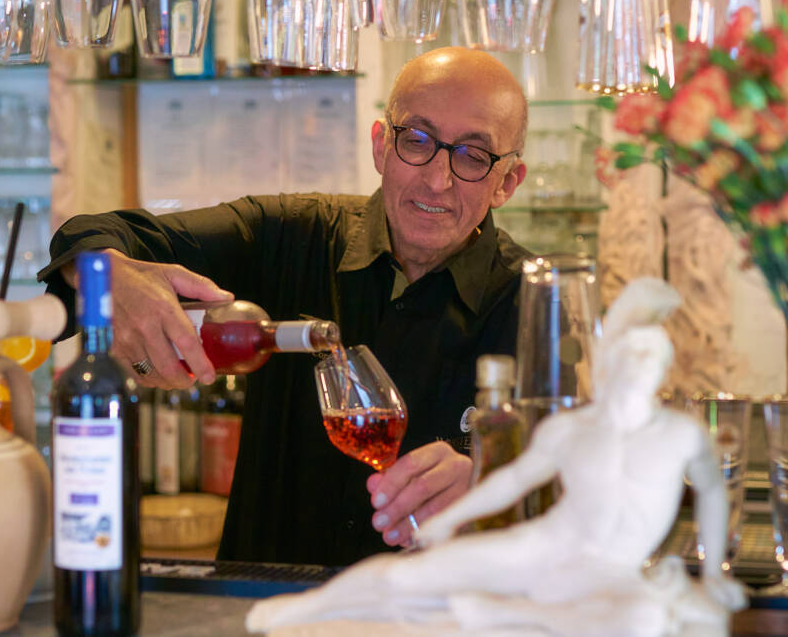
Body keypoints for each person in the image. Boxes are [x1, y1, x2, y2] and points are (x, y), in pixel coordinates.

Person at [38, 47, 530, 566]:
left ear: (507, 183)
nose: (437, 179)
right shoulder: (291, 234)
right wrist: (110, 277)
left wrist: (495, 483)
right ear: (382, 146)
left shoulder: (534, 300)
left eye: (474, 157)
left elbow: (591, 474)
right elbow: (94, 232)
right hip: (258, 609)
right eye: (418, 141)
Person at [245, 279, 747, 636]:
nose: (635, 367)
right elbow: (507, 485)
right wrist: (451, 521)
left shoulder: (679, 434)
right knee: (408, 577)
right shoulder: (572, 429)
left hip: (607, 572)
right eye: (627, 355)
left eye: (647, 358)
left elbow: (712, 493)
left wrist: (719, 574)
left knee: (637, 622)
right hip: (542, 545)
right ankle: (300, 611)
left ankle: (492, 614)